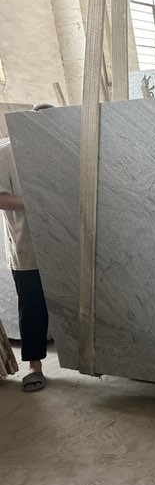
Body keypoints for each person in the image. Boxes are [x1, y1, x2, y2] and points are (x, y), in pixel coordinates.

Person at [0, 107, 50, 392]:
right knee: (32, 306)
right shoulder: (6, 154)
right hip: (26, 245)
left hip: (65, 244)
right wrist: (36, 201)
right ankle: (34, 365)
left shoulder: (60, 148)